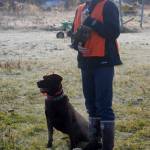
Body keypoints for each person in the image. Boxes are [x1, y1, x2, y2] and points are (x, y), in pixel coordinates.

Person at [71, 0, 122, 149]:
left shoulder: (108, 5)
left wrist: (91, 21)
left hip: (103, 63)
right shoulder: (80, 8)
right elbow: (74, 34)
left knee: (103, 105)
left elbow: (114, 32)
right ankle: (94, 142)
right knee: (91, 104)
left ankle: (107, 146)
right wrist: (77, 45)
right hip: (86, 63)